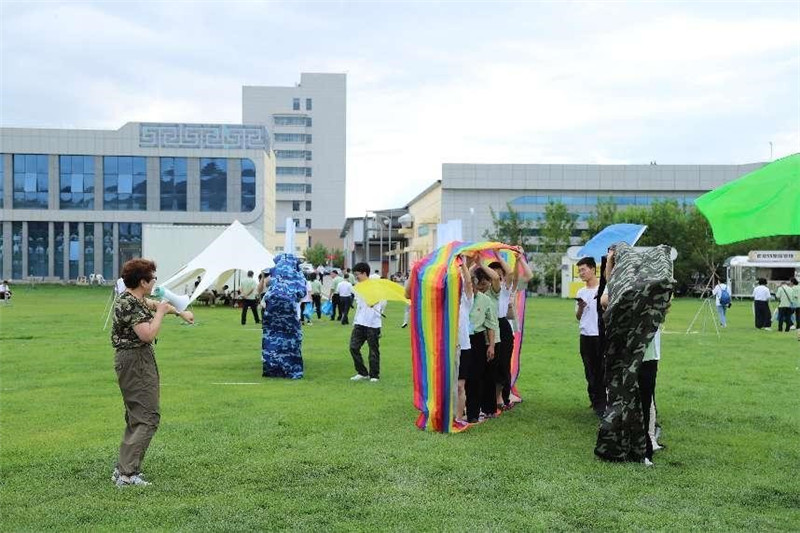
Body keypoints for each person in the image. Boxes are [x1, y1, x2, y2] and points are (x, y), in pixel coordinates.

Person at [110, 258, 194, 487]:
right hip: (135, 360)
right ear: (143, 281)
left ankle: (123, 469)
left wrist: (178, 312)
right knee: (148, 417)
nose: (156, 281)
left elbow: (155, 305)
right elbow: (147, 334)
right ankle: (127, 476)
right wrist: (161, 313)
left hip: (136, 360)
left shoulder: (134, 299)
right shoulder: (129, 304)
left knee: (136, 416)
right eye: (153, 278)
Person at [261, 254, 307, 379]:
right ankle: (292, 370)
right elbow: (302, 293)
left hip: (271, 310)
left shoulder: (274, 271)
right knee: (291, 340)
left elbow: (266, 284)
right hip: (288, 312)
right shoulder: (298, 275)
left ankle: (272, 369)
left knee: (271, 338)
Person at [465, 266, 500, 423]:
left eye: (472, 284)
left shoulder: (485, 300)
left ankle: (473, 413)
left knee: (476, 377)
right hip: (460, 338)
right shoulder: (460, 298)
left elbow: (491, 324)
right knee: (461, 378)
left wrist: (491, 346)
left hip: (477, 339)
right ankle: (460, 410)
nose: (470, 287)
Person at [575, 256, 605, 418]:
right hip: (585, 335)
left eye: (583, 269)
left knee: (601, 370)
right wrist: (581, 307)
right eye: (579, 271)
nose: (581, 273)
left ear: (593, 269)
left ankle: (602, 403)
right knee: (589, 370)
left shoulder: (603, 289)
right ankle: (594, 400)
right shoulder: (581, 291)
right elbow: (578, 317)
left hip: (599, 335)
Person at [349, 262, 386, 382]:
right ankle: (362, 372)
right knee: (353, 347)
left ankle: (374, 375)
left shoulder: (375, 286)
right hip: (360, 323)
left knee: (373, 350)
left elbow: (383, 302)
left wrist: (376, 303)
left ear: (364, 273)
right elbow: (359, 306)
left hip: (373, 324)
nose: (356, 277)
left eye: (357, 274)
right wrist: (355, 321)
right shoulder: (358, 287)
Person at [455, 256, 474, 424]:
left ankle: (459, 418)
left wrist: (463, 266)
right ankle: (448, 414)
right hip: (447, 348)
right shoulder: (444, 304)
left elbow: (468, 283)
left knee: (460, 385)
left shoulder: (466, 302)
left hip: (464, 348)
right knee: (448, 385)